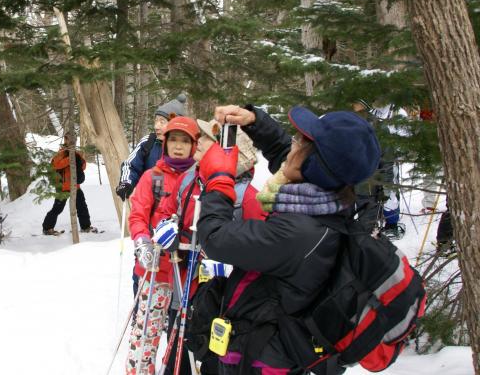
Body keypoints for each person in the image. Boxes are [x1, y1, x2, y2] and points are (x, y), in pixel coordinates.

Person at [194, 104, 381, 374]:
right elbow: (290, 158)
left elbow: (214, 238)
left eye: (301, 141)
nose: (293, 144)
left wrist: (219, 179)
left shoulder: (299, 233)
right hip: (265, 348)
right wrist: (254, 121)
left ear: (313, 164)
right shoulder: (330, 200)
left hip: (259, 359)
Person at [127, 116, 201, 375]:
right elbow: (137, 215)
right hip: (155, 270)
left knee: (180, 337)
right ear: (165, 143)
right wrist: (142, 242)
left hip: (187, 273)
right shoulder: (152, 177)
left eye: (185, 141)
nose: (178, 146)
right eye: (174, 140)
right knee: (145, 333)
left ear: (194, 146)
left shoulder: (200, 181)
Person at [117, 94, 188, 201]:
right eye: (156, 121)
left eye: (162, 122)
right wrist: (126, 183)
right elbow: (130, 165)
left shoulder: (186, 149)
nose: (156, 126)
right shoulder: (148, 142)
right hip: (147, 204)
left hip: (176, 206)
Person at [351, 101, 405, 240]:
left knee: (366, 223)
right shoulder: (347, 123)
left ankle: (388, 225)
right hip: (358, 185)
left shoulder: (378, 125)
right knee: (365, 226)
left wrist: (387, 186)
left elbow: (386, 161)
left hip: (365, 185)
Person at [42, 133, 98, 235]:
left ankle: (86, 227)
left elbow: (83, 166)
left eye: (74, 139)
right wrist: (70, 159)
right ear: (65, 140)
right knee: (58, 208)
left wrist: (79, 160)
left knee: (82, 206)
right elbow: (56, 165)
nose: (73, 141)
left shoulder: (76, 153)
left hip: (75, 186)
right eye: (70, 139)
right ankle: (47, 228)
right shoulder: (61, 152)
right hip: (62, 187)